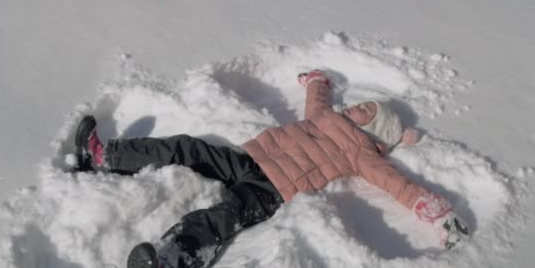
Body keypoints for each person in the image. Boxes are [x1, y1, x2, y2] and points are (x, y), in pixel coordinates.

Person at [71, 70, 469, 268]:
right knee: (188, 148)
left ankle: (172, 259)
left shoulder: (364, 153)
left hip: (271, 191)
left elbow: (397, 184)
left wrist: (437, 211)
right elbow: (316, 96)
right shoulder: (325, 116)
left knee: (219, 218)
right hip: (248, 158)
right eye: (360, 104)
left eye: (365, 111)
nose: (357, 107)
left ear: (373, 129)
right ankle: (105, 157)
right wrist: (317, 80)